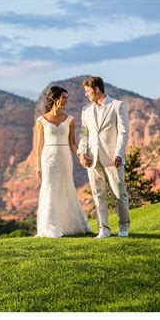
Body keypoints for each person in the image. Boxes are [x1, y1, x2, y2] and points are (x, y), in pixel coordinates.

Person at [35, 86, 92, 237]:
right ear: (55, 98)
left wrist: (80, 154)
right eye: (63, 97)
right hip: (48, 158)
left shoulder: (70, 120)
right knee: (50, 188)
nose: (66, 101)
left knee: (66, 187)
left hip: (65, 156)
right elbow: (39, 145)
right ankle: (50, 226)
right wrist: (38, 165)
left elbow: (72, 142)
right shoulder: (41, 120)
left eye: (67, 98)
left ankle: (70, 225)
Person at [77, 76, 130, 238]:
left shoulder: (117, 105)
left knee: (119, 193)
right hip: (92, 159)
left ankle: (123, 229)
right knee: (98, 194)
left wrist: (118, 153)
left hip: (113, 158)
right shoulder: (86, 110)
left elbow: (123, 132)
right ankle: (104, 229)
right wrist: (82, 153)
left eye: (88, 91)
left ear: (97, 89)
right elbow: (83, 134)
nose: (86, 95)